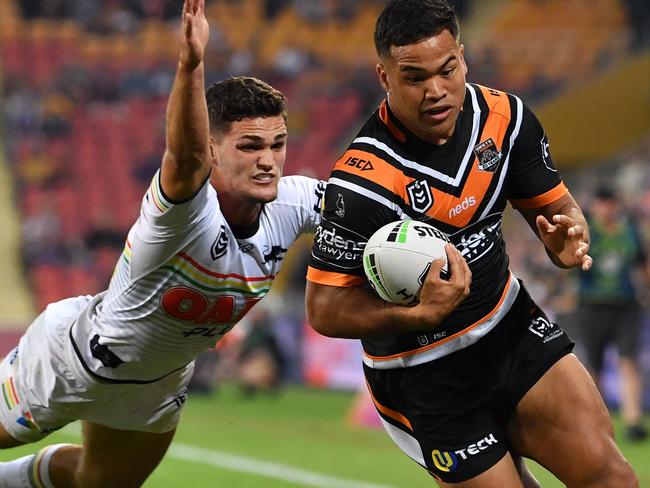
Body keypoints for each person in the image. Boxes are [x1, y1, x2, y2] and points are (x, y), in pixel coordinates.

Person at [305, 1, 639, 486]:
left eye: (448, 69)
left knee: (611, 477)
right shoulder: (361, 184)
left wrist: (569, 238)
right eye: (415, 77)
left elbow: (559, 210)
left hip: (511, 328)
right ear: (384, 76)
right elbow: (323, 308)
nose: (436, 91)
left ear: (462, 55)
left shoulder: (506, 118)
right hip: (423, 372)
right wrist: (417, 315)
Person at [0, 1, 325, 486]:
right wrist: (191, 65)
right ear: (214, 150)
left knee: (99, 483)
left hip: (157, 386)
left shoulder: (294, 201)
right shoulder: (182, 212)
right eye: (250, 146)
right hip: (74, 361)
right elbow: (185, 154)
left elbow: (365, 202)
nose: (269, 161)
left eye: (277, 144)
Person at [577, 186, 649, 442]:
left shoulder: (629, 231)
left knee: (629, 361)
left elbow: (642, 265)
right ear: (595, 206)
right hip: (592, 305)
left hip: (626, 305)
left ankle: (633, 422)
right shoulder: (585, 231)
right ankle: (598, 422)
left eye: (610, 204)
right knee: (594, 365)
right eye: (602, 204)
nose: (606, 209)